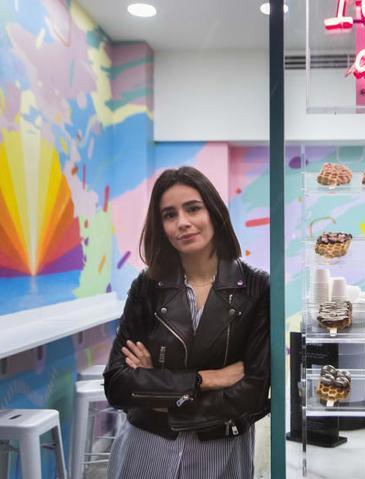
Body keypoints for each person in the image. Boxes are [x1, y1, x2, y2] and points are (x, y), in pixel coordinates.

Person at [104, 166, 270, 479]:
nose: (182, 223)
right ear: (161, 226)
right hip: (147, 446)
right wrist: (204, 379)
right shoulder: (147, 287)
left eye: (193, 208)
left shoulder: (257, 288)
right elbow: (117, 383)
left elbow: (254, 391)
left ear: (214, 212)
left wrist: (158, 386)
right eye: (169, 215)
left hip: (219, 450)